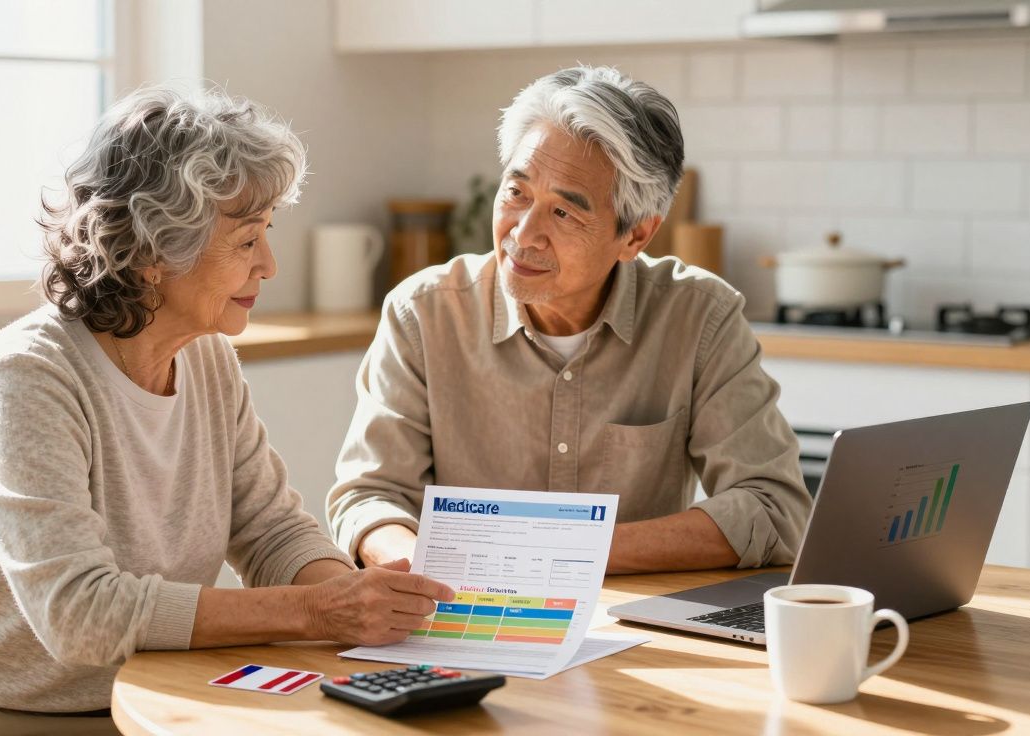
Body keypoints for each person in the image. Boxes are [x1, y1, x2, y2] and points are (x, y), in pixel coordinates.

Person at [0, 86, 452, 735]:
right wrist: (316, 612)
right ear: (155, 251)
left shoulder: (208, 359)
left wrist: (369, 606)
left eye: (267, 233)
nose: (269, 264)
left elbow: (271, 531)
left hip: (146, 696)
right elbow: (82, 614)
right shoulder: (27, 378)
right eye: (246, 241)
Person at [327, 66, 812, 576]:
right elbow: (370, 497)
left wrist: (562, 557)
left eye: (564, 213)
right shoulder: (423, 313)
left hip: (640, 626)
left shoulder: (701, 319)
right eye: (517, 193)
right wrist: (406, 563)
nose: (524, 233)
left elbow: (772, 508)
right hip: (466, 611)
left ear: (636, 237)